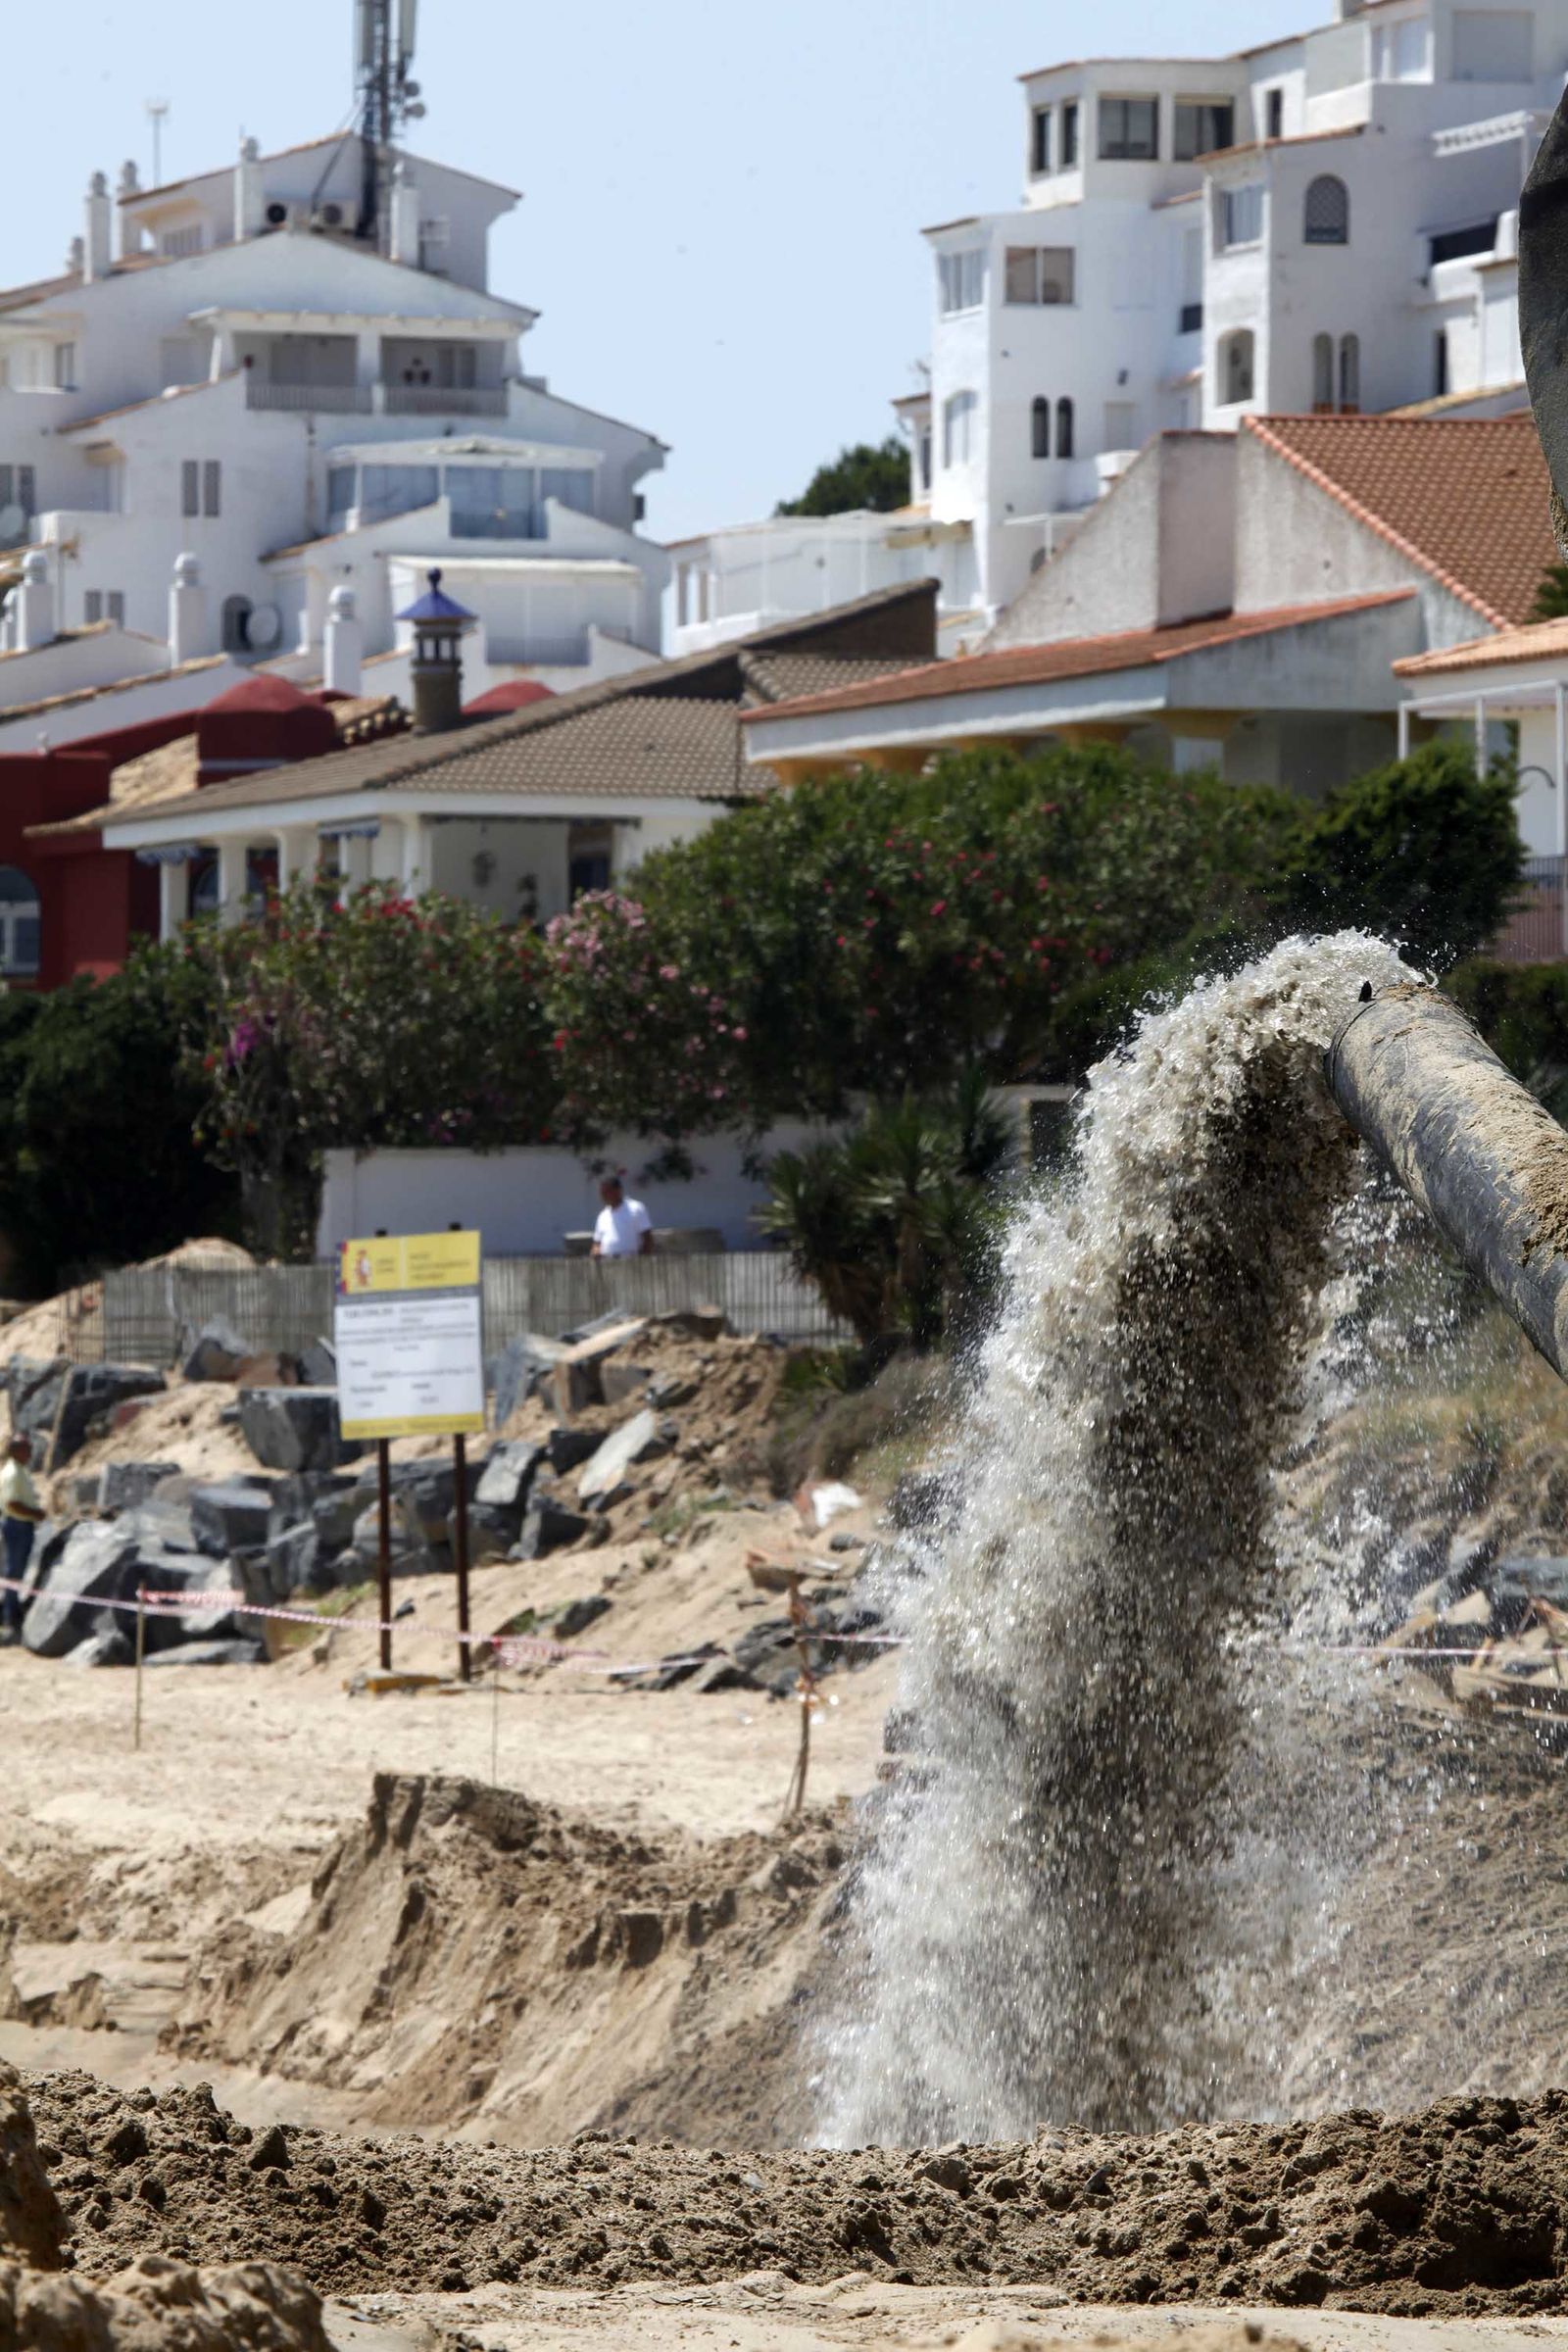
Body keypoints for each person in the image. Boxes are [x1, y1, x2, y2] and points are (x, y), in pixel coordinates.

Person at [0, 1436, 44, 1639]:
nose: (30, 1453)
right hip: (17, 1525)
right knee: (14, 1570)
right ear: (16, 1451)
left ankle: (12, 1608)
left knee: (18, 1569)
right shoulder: (12, 1473)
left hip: (22, 1524)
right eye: (27, 1449)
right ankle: (10, 1615)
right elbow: (11, 1504)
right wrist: (35, 1513)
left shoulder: (19, 1470)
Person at [590, 1175, 655, 1259]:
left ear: (618, 1191)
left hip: (631, 1261)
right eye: (602, 1193)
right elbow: (597, 1242)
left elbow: (647, 1237)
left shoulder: (635, 1208)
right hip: (607, 1263)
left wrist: (643, 1259)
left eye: (607, 1192)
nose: (603, 1196)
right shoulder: (603, 1215)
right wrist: (595, 1250)